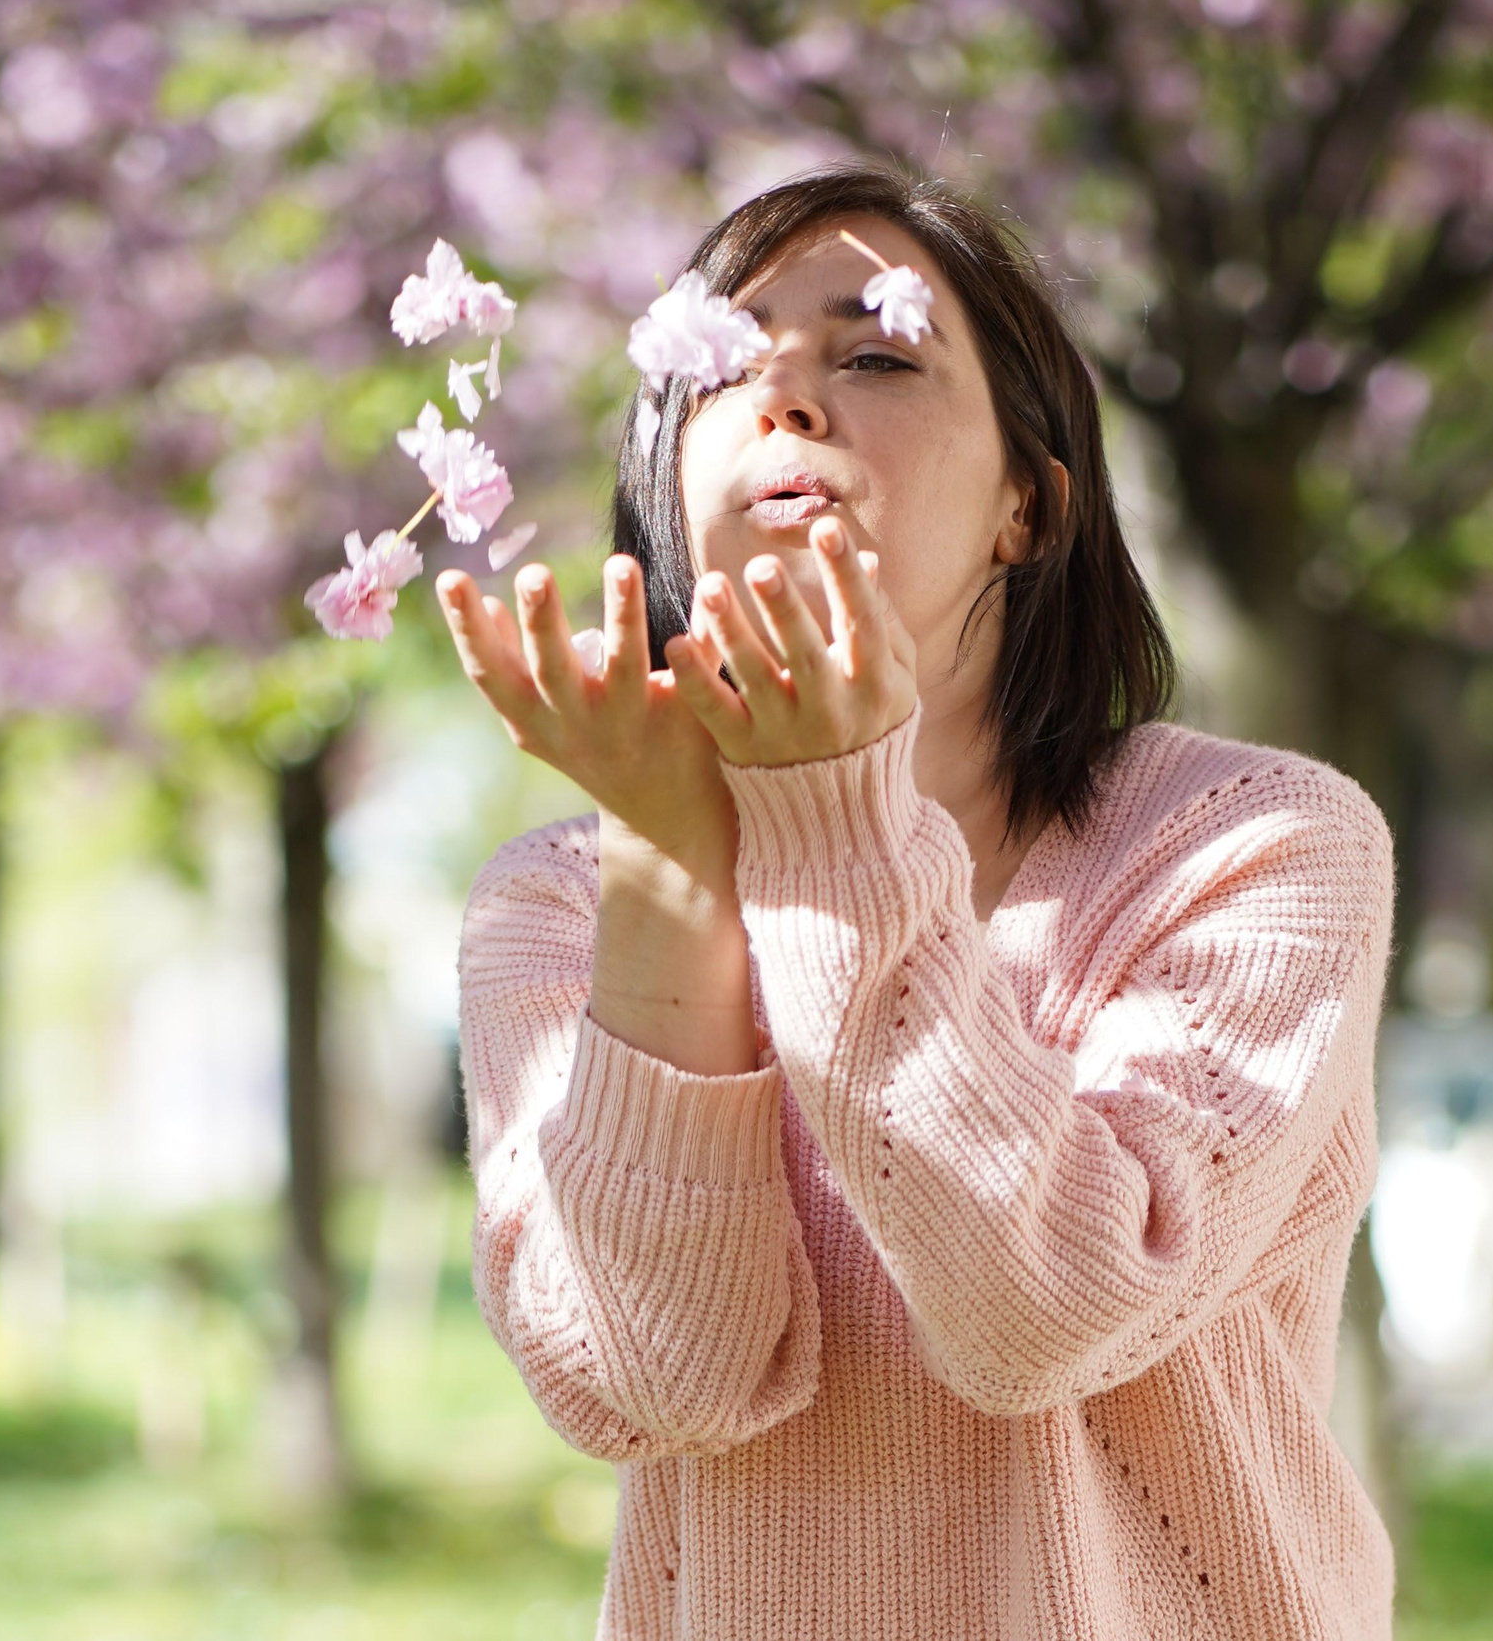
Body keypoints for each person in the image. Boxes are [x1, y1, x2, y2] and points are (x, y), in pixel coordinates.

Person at [436, 162, 1398, 1639]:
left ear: (1029, 503)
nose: (788, 401)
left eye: (875, 354)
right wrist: (675, 864)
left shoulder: (1253, 848)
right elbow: (647, 1379)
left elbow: (1050, 1308)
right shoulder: (559, 904)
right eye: (726, 367)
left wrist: (833, 814)